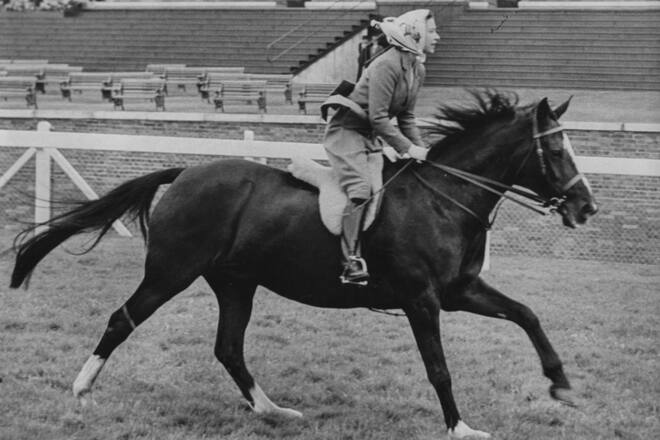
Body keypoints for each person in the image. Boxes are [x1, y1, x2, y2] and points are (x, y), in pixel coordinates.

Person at [321, 9, 441, 285]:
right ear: (415, 33)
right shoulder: (386, 64)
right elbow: (378, 117)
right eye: (432, 31)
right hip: (347, 134)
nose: (437, 36)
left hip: (372, 136)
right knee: (361, 190)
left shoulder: (417, 68)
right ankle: (350, 260)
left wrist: (422, 152)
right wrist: (408, 149)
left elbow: (407, 118)